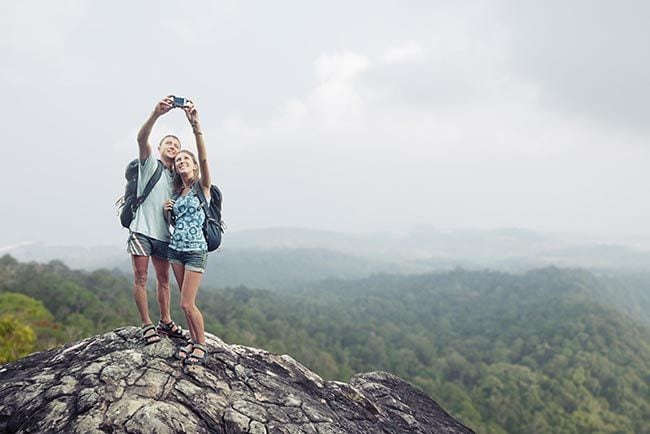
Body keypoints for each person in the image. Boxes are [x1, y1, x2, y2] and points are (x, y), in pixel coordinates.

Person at [129, 96, 185, 345]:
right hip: (141, 229)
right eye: (169, 142)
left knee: (164, 280)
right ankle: (146, 324)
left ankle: (166, 321)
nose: (172, 146)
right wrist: (156, 113)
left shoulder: (177, 178)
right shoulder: (149, 163)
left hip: (163, 234)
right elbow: (141, 139)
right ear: (161, 147)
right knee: (141, 278)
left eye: (176, 144)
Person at [163, 99, 211, 365]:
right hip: (175, 251)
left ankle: (201, 345)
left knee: (187, 304)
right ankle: (193, 342)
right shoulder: (178, 192)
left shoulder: (201, 187)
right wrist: (167, 210)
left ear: (193, 166)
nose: (181, 161)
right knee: (184, 302)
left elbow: (204, 157)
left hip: (195, 251)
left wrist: (196, 127)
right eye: (178, 159)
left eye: (185, 159)